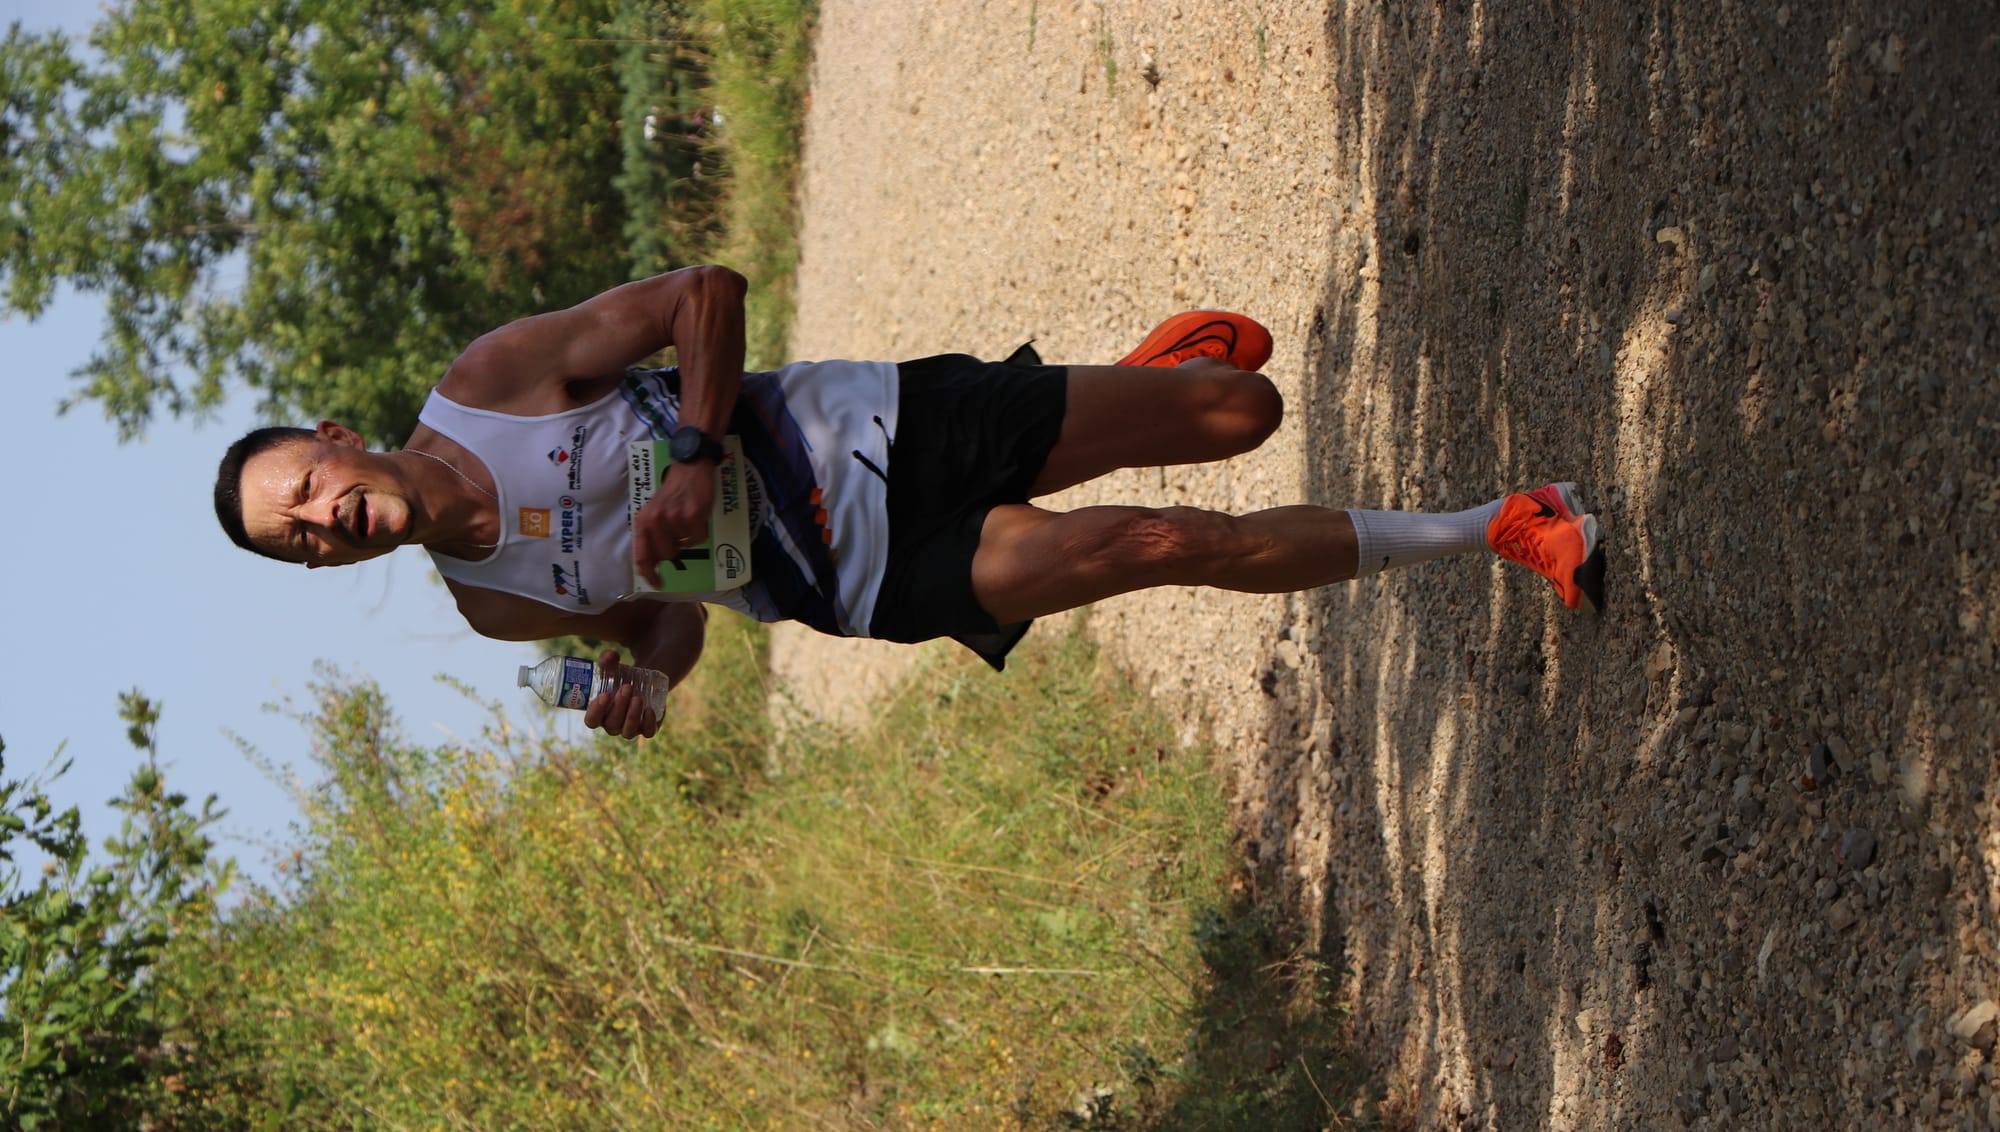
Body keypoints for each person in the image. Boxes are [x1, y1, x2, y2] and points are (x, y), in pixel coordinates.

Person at [213, 265, 1604, 740]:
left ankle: (1133, 390)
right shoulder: (497, 612)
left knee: (1246, 413)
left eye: (309, 490)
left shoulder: (492, 381)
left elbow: (708, 295)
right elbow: (675, 623)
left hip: (879, 423)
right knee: (1164, 544)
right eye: (303, 541)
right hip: (857, 580)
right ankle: (1500, 521)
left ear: (337, 440)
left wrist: (695, 448)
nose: (325, 521)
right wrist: (648, 680)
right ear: (321, 568)